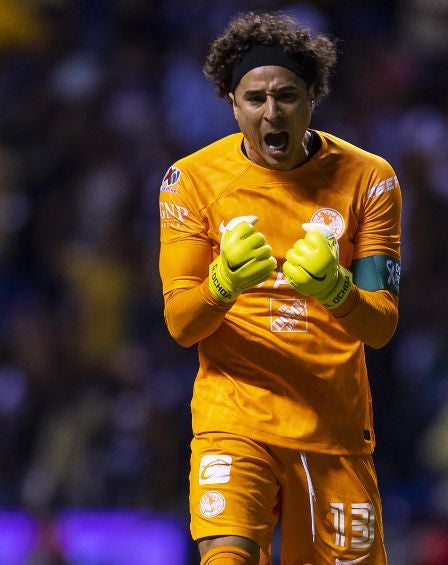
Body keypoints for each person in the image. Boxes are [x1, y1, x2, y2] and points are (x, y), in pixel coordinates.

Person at [158, 10, 402, 565]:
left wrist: (337, 290)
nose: (272, 113)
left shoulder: (369, 179)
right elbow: (181, 324)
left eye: (287, 96)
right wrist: (222, 284)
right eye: (255, 99)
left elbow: (382, 324)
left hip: (333, 427)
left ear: (313, 95)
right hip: (235, 416)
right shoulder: (190, 182)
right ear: (232, 103)